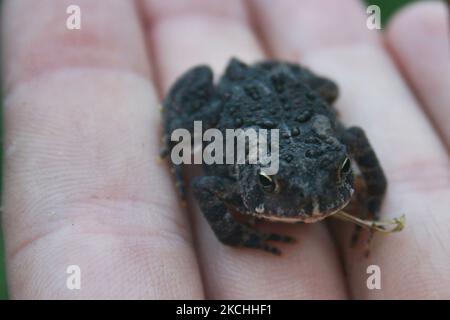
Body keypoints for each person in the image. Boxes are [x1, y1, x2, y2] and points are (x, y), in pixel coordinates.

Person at [1, 0, 449, 299]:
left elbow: (352, 137)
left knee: (328, 89)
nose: (312, 201)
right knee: (187, 133)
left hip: (286, 96)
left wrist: (373, 194)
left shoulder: (333, 151)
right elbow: (208, 188)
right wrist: (236, 233)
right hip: (237, 102)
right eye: (275, 185)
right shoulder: (239, 176)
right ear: (260, 179)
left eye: (337, 176)